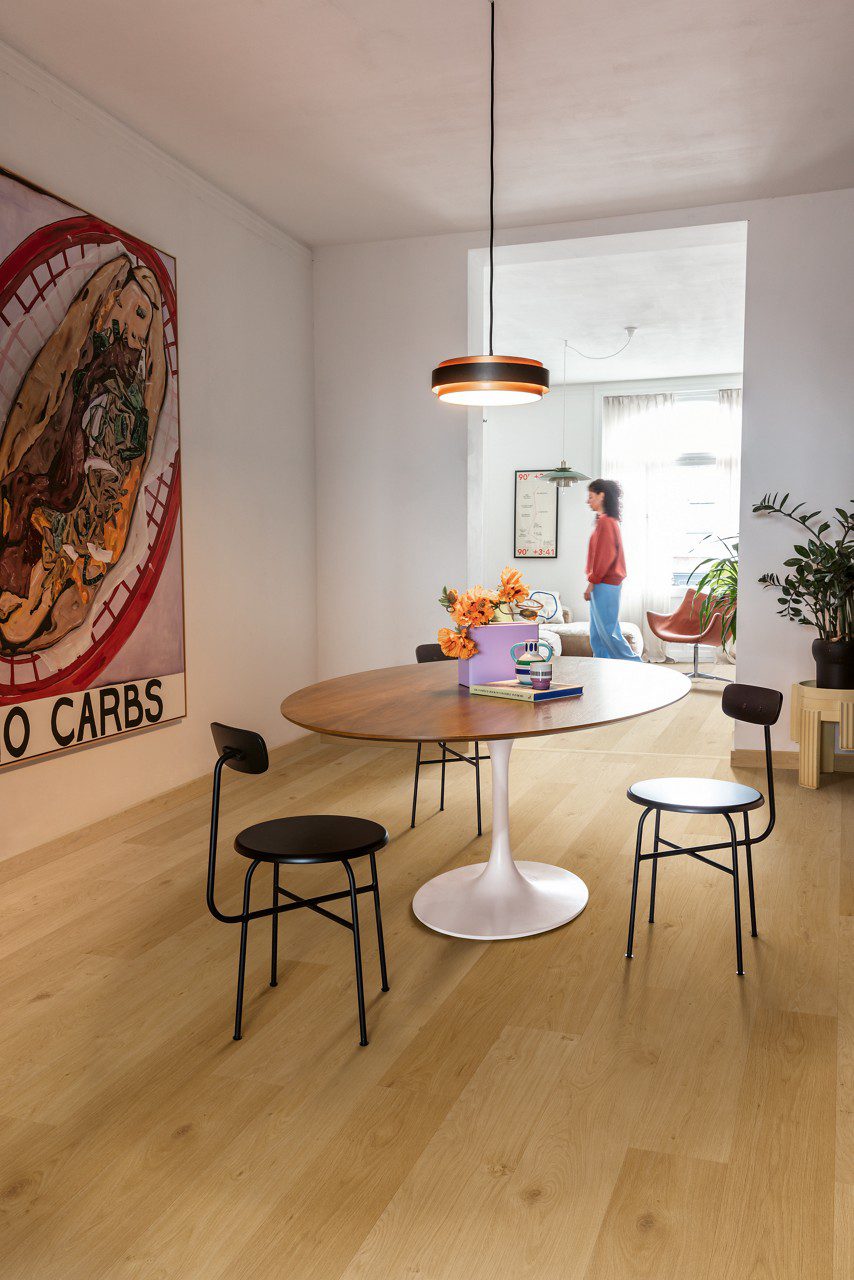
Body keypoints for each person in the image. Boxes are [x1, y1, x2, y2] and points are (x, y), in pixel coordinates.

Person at [584, 479, 642, 661]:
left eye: (591, 496)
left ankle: (636, 666)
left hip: (605, 583)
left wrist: (592, 582)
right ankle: (602, 669)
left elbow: (605, 555)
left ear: (602, 496)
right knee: (597, 634)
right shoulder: (604, 521)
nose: (588, 501)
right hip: (602, 582)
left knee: (608, 632)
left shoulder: (607, 523)